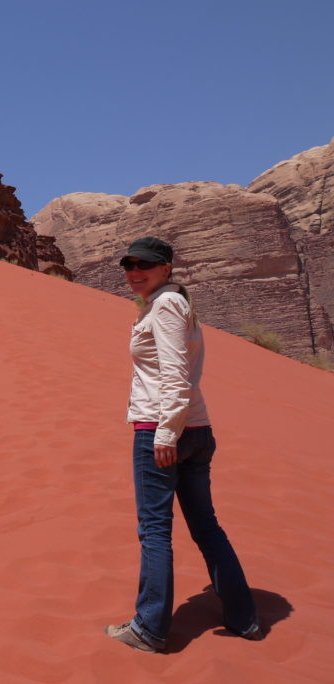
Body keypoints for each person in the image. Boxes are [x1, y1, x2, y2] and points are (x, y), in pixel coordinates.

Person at [105, 237, 261, 653]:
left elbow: (174, 375)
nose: (134, 272)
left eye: (145, 265)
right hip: (194, 430)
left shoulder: (167, 307)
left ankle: (149, 628)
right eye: (129, 265)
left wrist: (165, 434)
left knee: (155, 531)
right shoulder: (170, 304)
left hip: (164, 431)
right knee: (206, 527)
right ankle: (243, 617)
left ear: (166, 268)